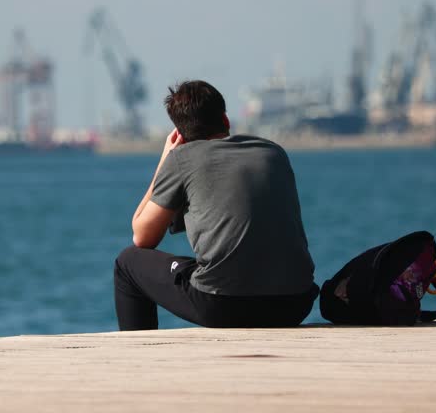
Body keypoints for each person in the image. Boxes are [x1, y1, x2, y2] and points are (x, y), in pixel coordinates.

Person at [114, 80, 318, 330]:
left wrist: (166, 158)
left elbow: (142, 237)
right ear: (226, 120)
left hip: (224, 306)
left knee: (127, 262)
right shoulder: (274, 152)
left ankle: (138, 357)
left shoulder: (181, 158)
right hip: (295, 303)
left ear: (180, 133)